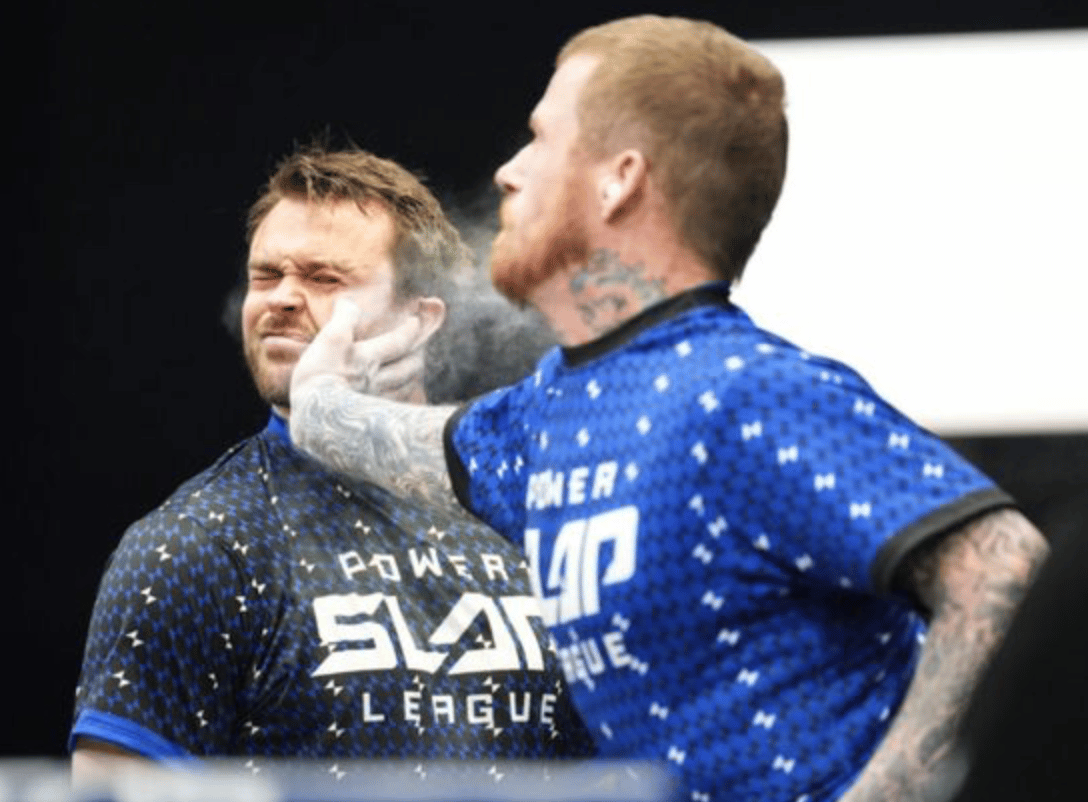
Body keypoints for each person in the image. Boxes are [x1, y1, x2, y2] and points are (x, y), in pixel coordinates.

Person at [285, 16, 1050, 802]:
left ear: (619, 179)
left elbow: (1006, 568)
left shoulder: (744, 394)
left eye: (541, 139)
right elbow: (387, 438)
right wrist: (317, 397)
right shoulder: (547, 416)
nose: (509, 171)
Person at [69, 147, 596, 782]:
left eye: (324, 278)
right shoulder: (195, 544)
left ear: (419, 319)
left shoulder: (525, 503)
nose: (283, 299)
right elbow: (110, 793)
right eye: (266, 275)